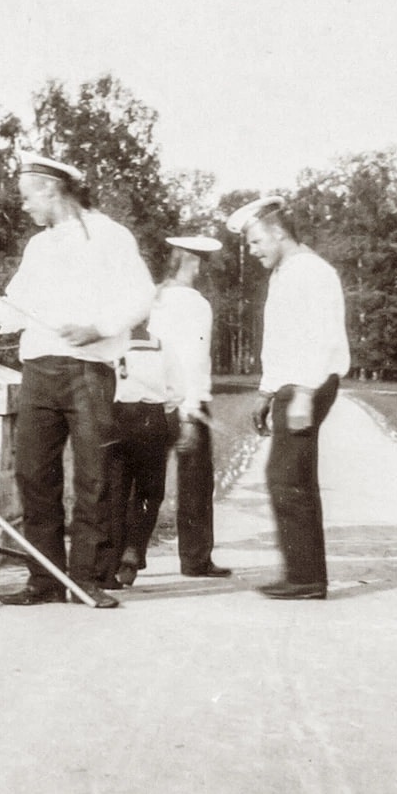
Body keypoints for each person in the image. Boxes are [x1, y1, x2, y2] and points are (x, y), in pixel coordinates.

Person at [0, 153, 155, 609]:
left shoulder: (110, 235)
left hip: (89, 371)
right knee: (33, 476)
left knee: (94, 479)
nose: (23, 206)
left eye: (27, 197)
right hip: (38, 371)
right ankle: (44, 579)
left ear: (50, 188)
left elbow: (142, 296)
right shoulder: (38, 247)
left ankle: (87, 579)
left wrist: (99, 328)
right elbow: (16, 306)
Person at [226, 196, 350, 600]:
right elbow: (282, 341)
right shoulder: (285, 272)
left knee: (287, 477)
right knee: (290, 477)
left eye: (256, 241)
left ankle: (305, 578)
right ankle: (304, 575)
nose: (252, 250)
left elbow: (322, 338)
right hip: (292, 385)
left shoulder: (312, 272)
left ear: (278, 232)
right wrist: (267, 391)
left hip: (307, 385)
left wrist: (304, 394)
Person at [152, 234, 232, 580]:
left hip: (148, 399)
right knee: (195, 485)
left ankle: (125, 560)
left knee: (142, 483)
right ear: (193, 263)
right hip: (187, 406)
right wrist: (191, 410)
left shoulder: (152, 298)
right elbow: (195, 360)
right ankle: (195, 559)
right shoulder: (196, 304)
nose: (202, 271)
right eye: (201, 263)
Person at [99, 323, 180, 590]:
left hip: (118, 417)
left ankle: (110, 567)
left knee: (116, 492)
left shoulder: (109, 344)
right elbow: (176, 391)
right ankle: (134, 547)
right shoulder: (163, 345)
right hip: (152, 418)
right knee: (149, 493)